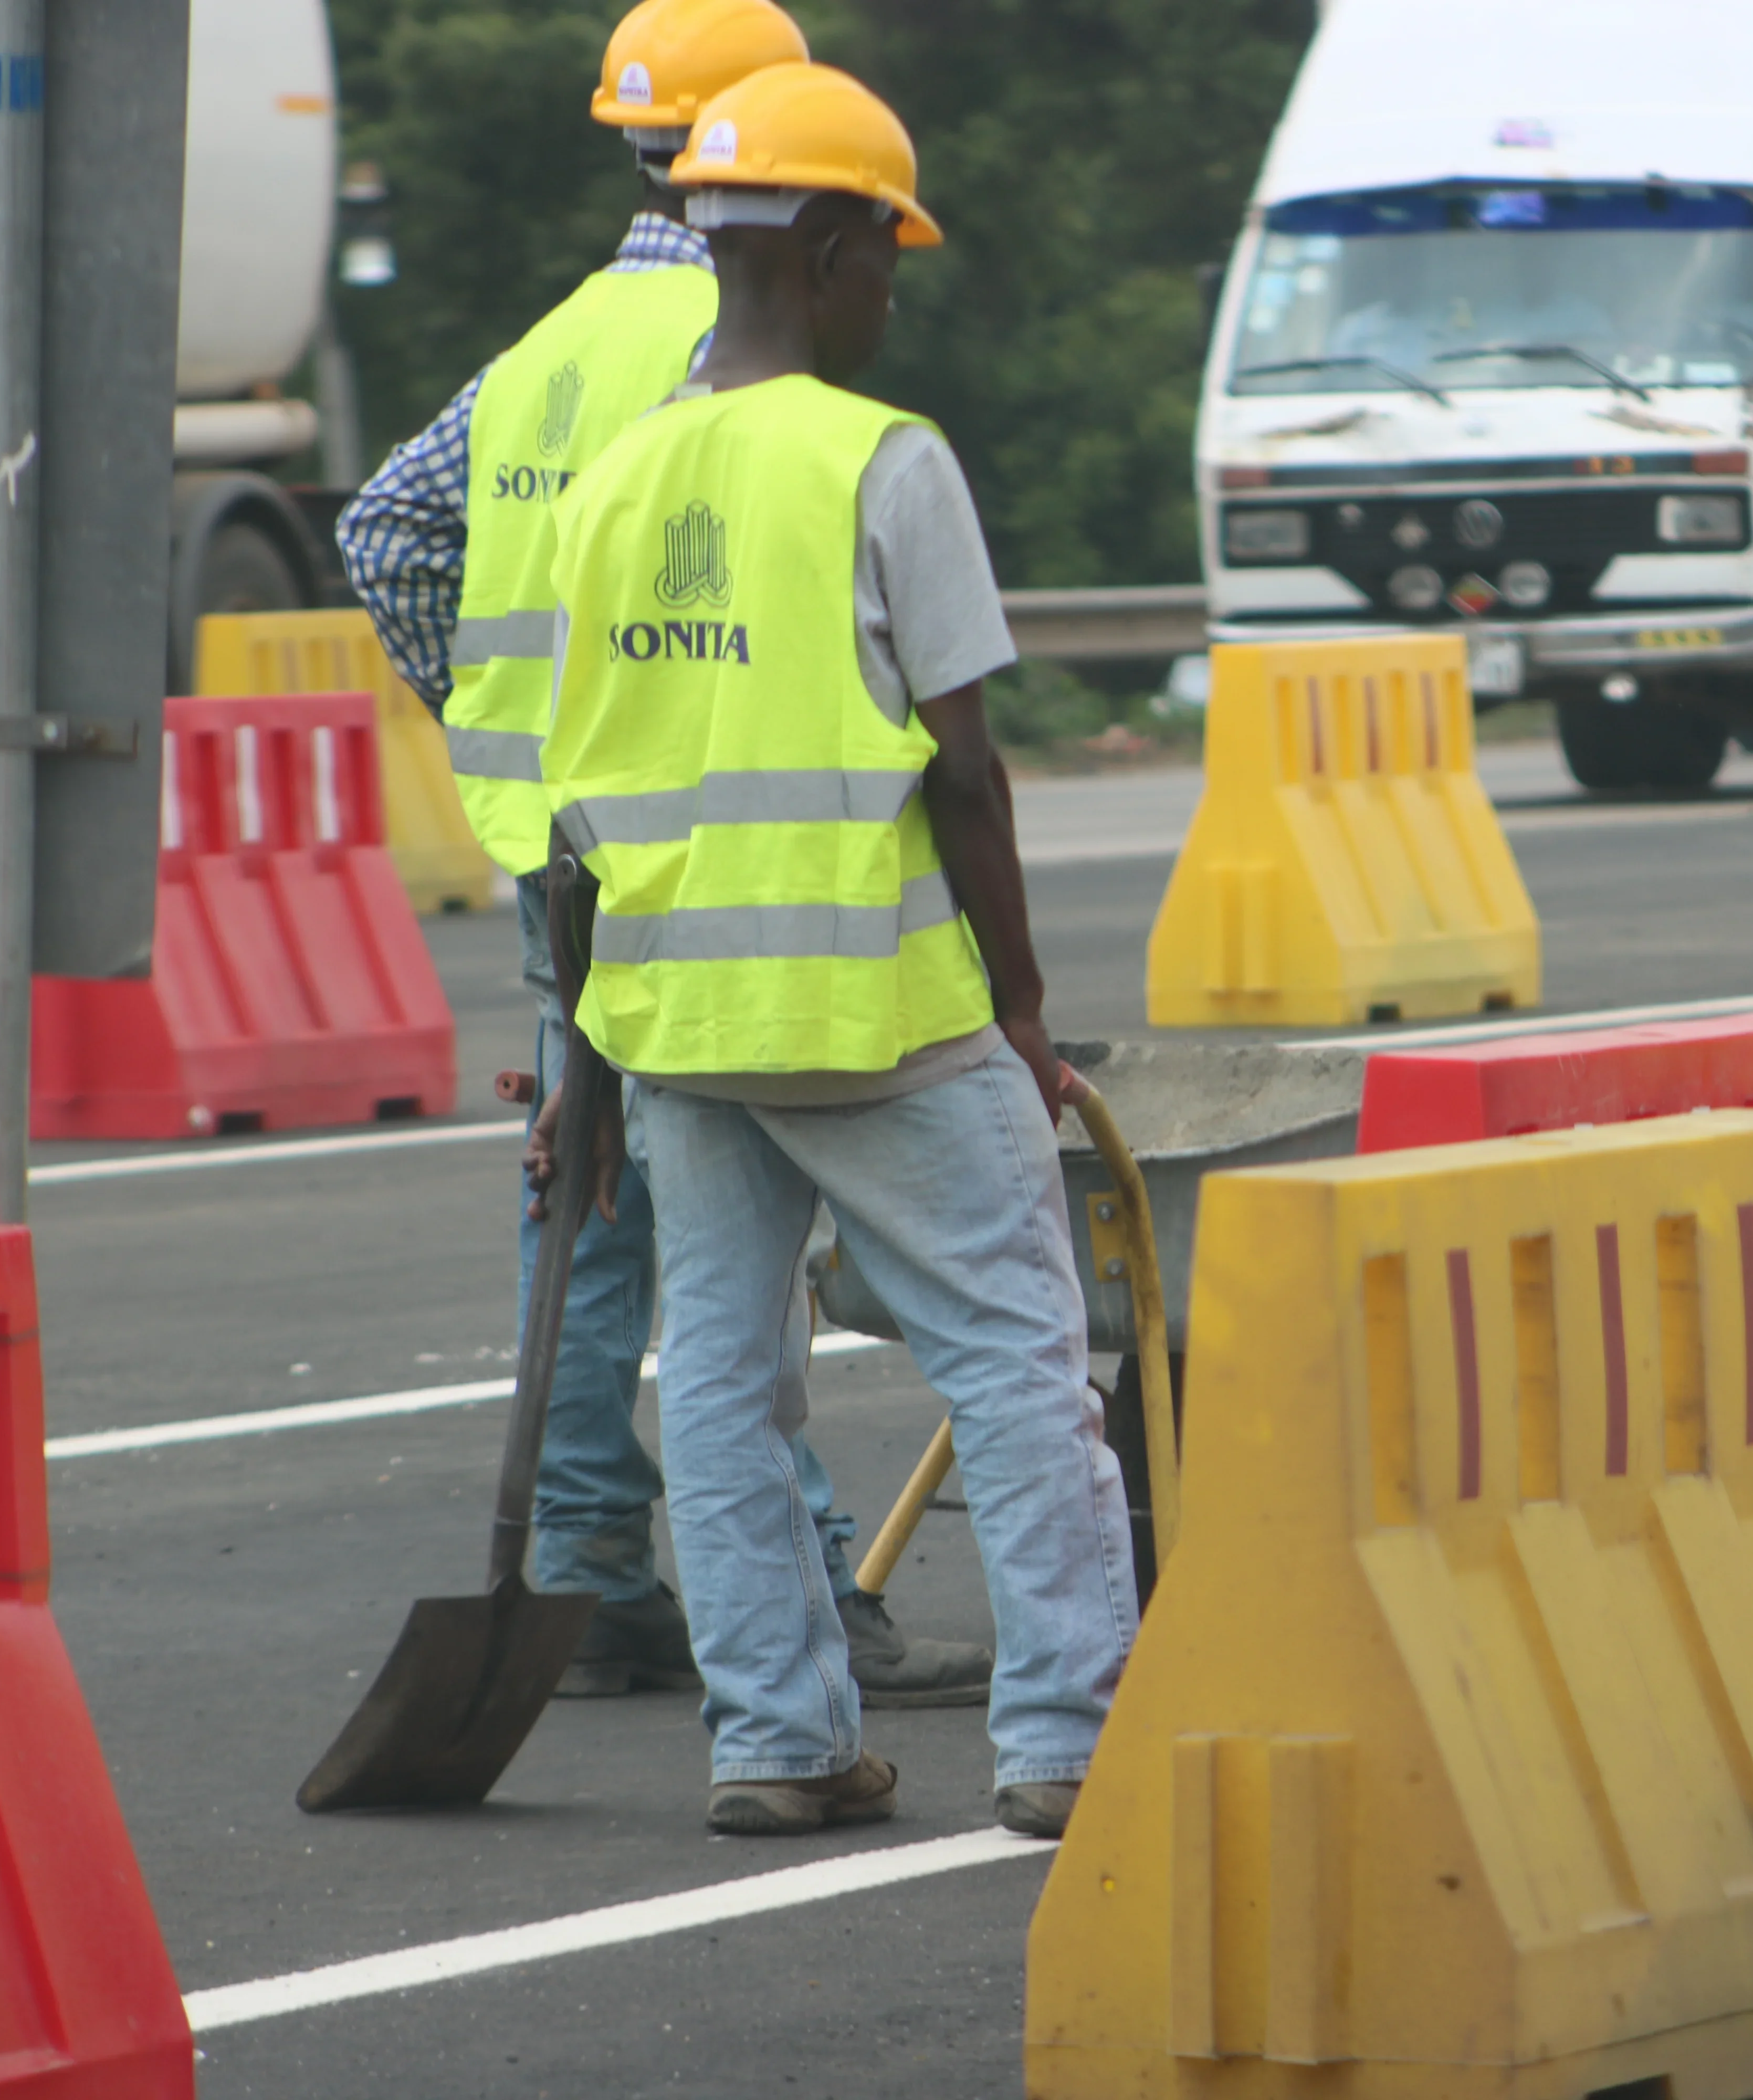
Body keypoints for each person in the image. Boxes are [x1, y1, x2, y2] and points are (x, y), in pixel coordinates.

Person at [337, 0, 985, 1712]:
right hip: (720, 856)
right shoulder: (750, 318)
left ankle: (588, 1568)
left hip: (569, 846)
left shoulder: (552, 348)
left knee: (585, 1205)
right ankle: (804, 1609)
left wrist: (510, 720)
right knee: (744, 1236)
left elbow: (388, 525)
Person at [534, 60, 1140, 1838]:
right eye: (886, 251)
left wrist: (582, 1070)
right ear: (816, 247)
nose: (893, 286)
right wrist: (1022, 1012)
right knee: (1023, 1358)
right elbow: (963, 766)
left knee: (720, 1388)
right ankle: (1066, 1741)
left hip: (675, 1023)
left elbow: (577, 813)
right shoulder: (888, 460)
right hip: (877, 1012)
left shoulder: (617, 479)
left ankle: (778, 1746)